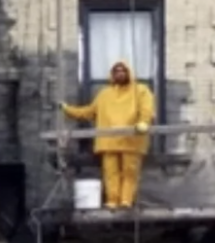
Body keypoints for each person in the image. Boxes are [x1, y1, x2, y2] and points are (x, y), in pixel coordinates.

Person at [60, 61, 155, 209]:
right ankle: (112, 200)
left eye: (123, 70)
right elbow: (88, 111)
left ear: (129, 72)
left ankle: (126, 201)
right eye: (116, 71)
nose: (120, 73)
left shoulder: (141, 90)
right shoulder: (104, 94)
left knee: (129, 172)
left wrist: (144, 122)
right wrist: (67, 109)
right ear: (112, 74)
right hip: (108, 142)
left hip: (131, 141)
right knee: (110, 173)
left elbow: (146, 108)